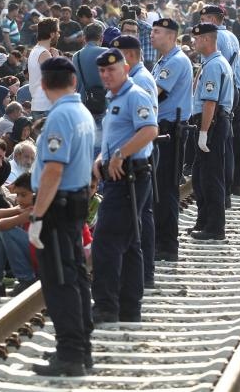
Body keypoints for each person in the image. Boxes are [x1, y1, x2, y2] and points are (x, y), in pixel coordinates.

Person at [25, 56, 94, 376]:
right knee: (76, 277)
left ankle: (70, 354)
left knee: (60, 282)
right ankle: (82, 348)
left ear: (43, 83)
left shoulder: (59, 117)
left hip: (57, 207)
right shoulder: (81, 112)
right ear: (74, 82)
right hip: (75, 202)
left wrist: (37, 217)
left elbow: (53, 169)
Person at [91, 48, 157, 324]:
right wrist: (101, 158)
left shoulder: (135, 95)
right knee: (129, 243)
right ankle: (129, 307)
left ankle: (106, 305)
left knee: (106, 242)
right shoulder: (114, 98)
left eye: (112, 70)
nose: (106, 75)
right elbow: (117, 135)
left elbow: (149, 129)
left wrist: (119, 155)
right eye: (103, 71)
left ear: (126, 69)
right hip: (117, 175)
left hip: (129, 176)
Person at [186, 24, 234, 240]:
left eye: (196, 39)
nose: (194, 43)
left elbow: (209, 103)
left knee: (211, 177)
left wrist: (204, 131)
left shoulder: (214, 65)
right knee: (200, 176)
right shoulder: (212, 62)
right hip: (211, 122)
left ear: (206, 39)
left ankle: (215, 228)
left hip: (212, 123)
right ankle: (204, 221)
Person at [150, 18, 192, 261]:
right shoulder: (163, 61)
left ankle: (167, 245)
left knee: (165, 189)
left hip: (170, 130)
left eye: (157, 32)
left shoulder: (174, 62)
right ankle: (159, 240)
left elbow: (155, 94)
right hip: (162, 129)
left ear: (171, 36)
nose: (152, 35)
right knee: (159, 188)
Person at [200, 5, 240, 197]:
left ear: (211, 19)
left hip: (223, 93)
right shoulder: (232, 36)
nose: (201, 22)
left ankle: (224, 191)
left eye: (203, 19)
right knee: (236, 139)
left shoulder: (214, 39)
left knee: (221, 143)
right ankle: (237, 183)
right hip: (237, 89)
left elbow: (218, 71)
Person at [27, 18, 60, 120]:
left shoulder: (35, 50)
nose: (59, 35)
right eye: (57, 32)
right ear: (52, 34)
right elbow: (56, 79)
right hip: (46, 107)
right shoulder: (44, 53)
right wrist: (57, 59)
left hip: (39, 106)